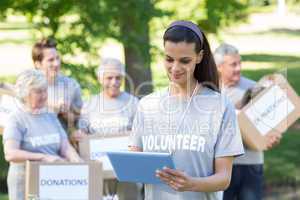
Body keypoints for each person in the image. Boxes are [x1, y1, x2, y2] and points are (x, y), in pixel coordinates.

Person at [129, 20, 244, 200]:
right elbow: (134, 163)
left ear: (199, 57)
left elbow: (224, 178)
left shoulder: (220, 106)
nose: (175, 68)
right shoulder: (146, 105)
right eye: (169, 59)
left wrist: (192, 184)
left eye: (184, 61)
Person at [214, 43, 281, 200]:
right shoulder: (210, 92)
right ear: (219, 67)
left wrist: (273, 136)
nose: (238, 68)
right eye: (233, 64)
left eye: (239, 63)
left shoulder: (254, 88)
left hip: (251, 164)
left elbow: (270, 123)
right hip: (222, 166)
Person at [3, 69, 82, 200]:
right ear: (25, 94)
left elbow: (65, 146)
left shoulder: (50, 115)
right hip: (25, 184)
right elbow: (10, 153)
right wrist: (43, 157)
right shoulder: (16, 119)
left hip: (52, 182)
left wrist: (77, 161)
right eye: (38, 92)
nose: (44, 95)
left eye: (45, 90)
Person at [75, 58, 141, 200]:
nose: (114, 82)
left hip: (127, 175)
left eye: (118, 78)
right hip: (99, 174)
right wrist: (79, 136)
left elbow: (142, 136)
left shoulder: (133, 103)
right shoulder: (90, 104)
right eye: (109, 78)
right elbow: (82, 133)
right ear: (100, 79)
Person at [32, 38, 83, 132]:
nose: (56, 63)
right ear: (38, 64)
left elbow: (78, 120)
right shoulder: (29, 86)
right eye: (50, 60)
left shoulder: (71, 85)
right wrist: (52, 106)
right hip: (34, 142)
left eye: (57, 58)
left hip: (62, 143)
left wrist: (65, 113)